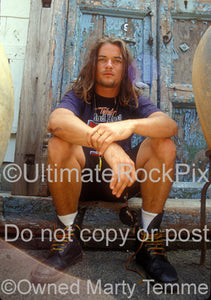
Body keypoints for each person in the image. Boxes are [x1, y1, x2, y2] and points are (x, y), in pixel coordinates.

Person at [31, 36, 178, 285]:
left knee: (163, 143)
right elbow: (56, 122)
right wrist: (109, 147)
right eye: (102, 59)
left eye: (116, 60)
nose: (109, 65)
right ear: (93, 65)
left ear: (125, 68)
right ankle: (67, 239)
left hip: (123, 183)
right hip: (82, 183)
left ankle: (148, 241)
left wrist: (130, 125)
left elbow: (169, 125)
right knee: (59, 142)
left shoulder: (134, 99)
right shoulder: (78, 96)